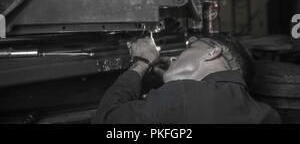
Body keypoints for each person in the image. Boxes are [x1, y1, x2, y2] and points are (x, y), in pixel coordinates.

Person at [91, 35, 281, 124]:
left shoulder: (184, 95)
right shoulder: (267, 114)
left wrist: (142, 62)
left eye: (189, 47)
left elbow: (105, 120)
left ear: (213, 52)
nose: (174, 58)